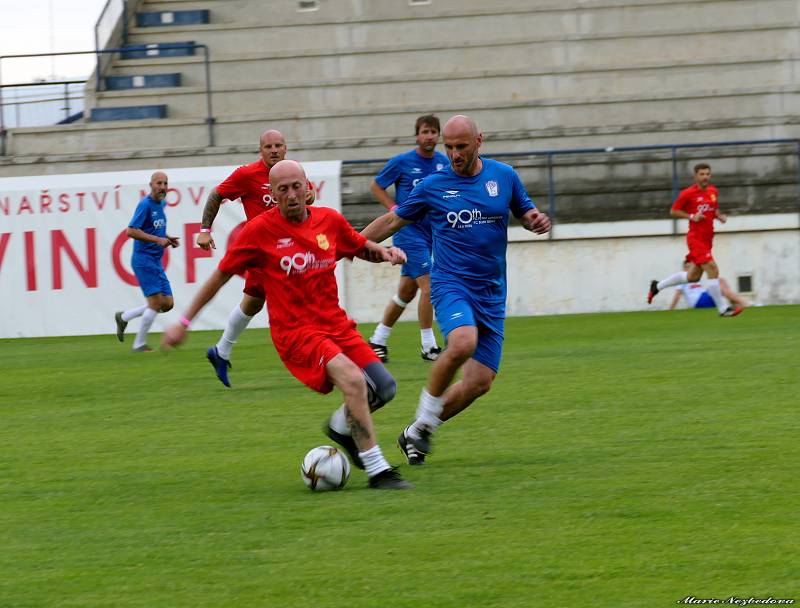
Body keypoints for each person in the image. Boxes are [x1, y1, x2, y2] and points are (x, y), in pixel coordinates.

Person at [161, 160, 412, 490]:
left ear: (309, 188)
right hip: (296, 333)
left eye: (297, 186)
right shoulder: (258, 232)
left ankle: (340, 426)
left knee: (384, 388)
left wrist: (385, 253)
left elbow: (357, 246)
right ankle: (378, 470)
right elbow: (220, 277)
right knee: (353, 379)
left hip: (335, 324)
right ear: (273, 195)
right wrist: (183, 321)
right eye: (283, 189)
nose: (292, 194)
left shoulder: (329, 221)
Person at [361, 115, 551, 465]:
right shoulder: (434, 185)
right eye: (449, 147)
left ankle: (416, 429)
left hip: (492, 293)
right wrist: (348, 244)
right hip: (451, 284)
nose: (454, 154)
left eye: (461, 146)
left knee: (479, 382)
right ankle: (425, 411)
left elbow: (526, 210)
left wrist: (535, 219)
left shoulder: (504, 176)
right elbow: (392, 220)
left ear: (480, 140)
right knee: (463, 343)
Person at [197, 129, 314, 387]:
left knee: (252, 303)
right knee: (294, 299)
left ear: (286, 148)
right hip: (263, 254)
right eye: (268, 146)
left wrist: (309, 195)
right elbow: (217, 194)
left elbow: (310, 194)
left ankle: (221, 351)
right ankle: (311, 356)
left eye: (278, 145)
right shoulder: (247, 175)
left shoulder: (293, 172)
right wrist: (205, 230)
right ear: (260, 150)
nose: (274, 150)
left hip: (288, 251)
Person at [366, 114, 448, 363]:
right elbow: (377, 185)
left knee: (406, 293)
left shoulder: (444, 163)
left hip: (430, 233)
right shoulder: (403, 162)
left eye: (433, 132)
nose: (429, 136)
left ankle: (377, 340)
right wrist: (392, 208)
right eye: (425, 132)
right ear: (417, 135)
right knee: (430, 287)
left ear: (438, 135)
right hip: (407, 233)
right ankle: (428, 346)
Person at [647, 163, 743, 317]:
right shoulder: (688, 193)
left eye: (707, 174)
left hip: (707, 239)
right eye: (702, 174)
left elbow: (713, 209)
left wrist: (719, 216)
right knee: (713, 269)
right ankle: (723, 309)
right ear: (695, 176)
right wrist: (692, 216)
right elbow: (673, 211)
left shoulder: (713, 191)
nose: (705, 177)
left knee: (693, 277)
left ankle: (657, 286)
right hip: (695, 239)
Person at [114, 171, 180, 352]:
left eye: (165, 183)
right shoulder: (145, 205)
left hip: (155, 261)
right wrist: (158, 240)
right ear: (150, 185)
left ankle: (125, 317)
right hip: (143, 260)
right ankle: (139, 344)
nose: (163, 187)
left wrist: (166, 237)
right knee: (155, 303)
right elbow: (131, 231)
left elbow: (153, 229)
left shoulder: (161, 204)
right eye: (159, 183)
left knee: (167, 303)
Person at [669, 262, 748, 311]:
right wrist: (670, 310)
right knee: (720, 288)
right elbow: (677, 295)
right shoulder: (682, 279)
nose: (689, 269)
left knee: (721, 280)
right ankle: (746, 304)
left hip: (704, 296)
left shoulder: (695, 277)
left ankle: (737, 303)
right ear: (684, 268)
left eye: (690, 266)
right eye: (687, 267)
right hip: (698, 302)